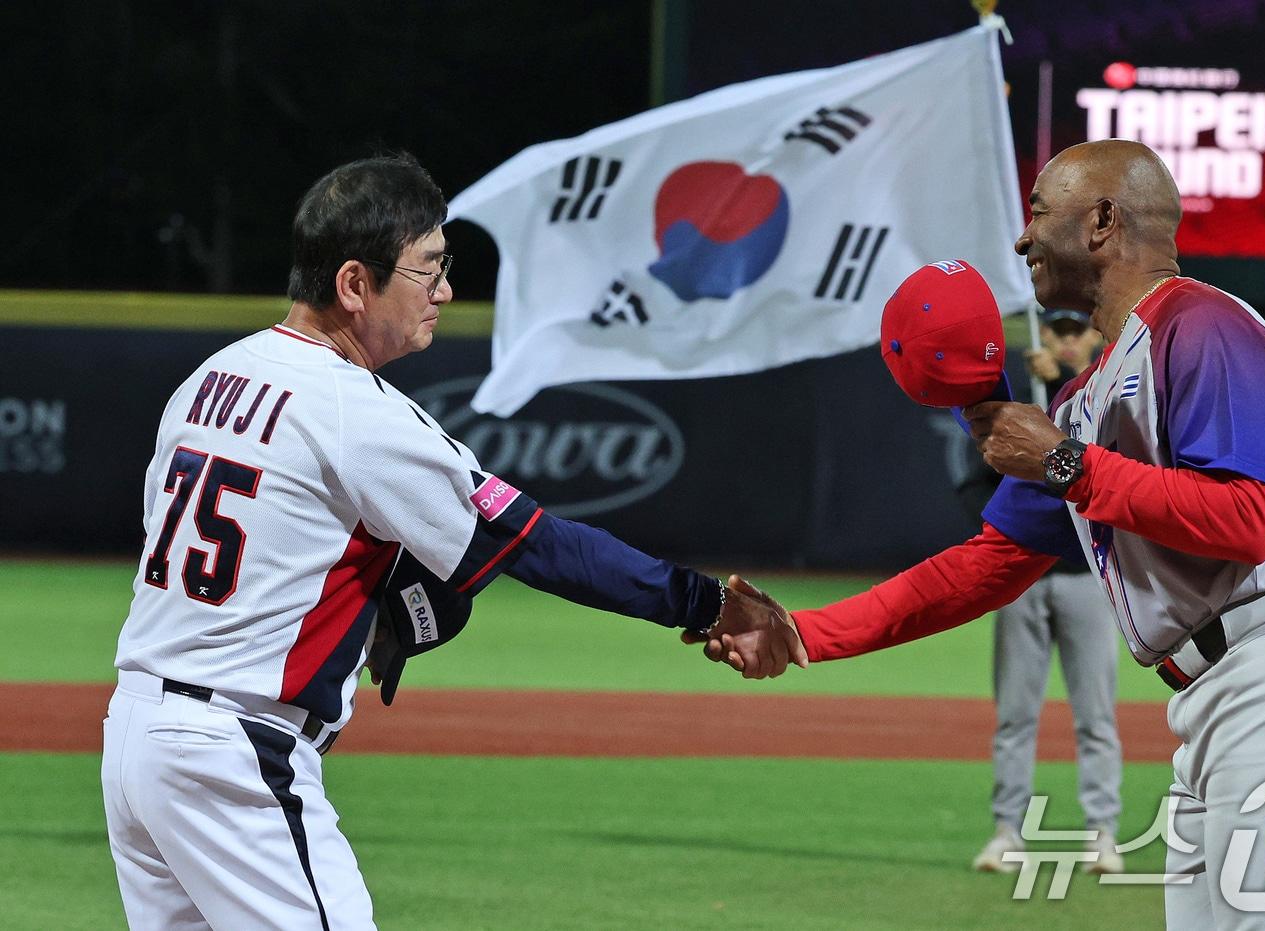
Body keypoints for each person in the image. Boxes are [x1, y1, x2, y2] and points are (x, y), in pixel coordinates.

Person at [695, 140, 1265, 929]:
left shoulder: (1201, 323)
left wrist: (1066, 463)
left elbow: (1246, 518)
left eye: (1038, 210)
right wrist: (805, 633)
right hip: (1222, 692)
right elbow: (985, 566)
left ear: (1102, 221)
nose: (1024, 239)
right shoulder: (1083, 401)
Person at [101, 153, 798, 930]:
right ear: (355, 285)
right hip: (234, 754)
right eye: (426, 270)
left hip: (135, 736)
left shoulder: (210, 378)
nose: (444, 292)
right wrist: (703, 603)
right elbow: (540, 544)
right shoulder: (350, 408)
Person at [957, 311, 1124, 875]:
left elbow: (1089, 461)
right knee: (1015, 714)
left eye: (1078, 331)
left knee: (1096, 715)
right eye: (1057, 330)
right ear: (1043, 335)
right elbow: (980, 478)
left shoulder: (1107, 392)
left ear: (1094, 338)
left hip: (1084, 577)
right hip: (1022, 582)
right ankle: (1008, 831)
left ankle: (1102, 834)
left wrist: (1057, 383)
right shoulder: (1018, 408)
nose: (1067, 339)